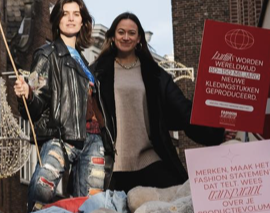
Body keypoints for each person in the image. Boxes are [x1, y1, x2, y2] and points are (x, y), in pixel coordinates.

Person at [91, 12, 225, 191]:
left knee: (179, 200)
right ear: (113, 36)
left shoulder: (155, 74)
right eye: (121, 32)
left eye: (131, 33)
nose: (125, 37)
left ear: (139, 38)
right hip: (111, 166)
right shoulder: (96, 73)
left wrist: (218, 130)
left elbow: (183, 110)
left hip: (149, 159)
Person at [14, 0, 114, 210]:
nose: (71, 19)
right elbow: (33, 103)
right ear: (57, 19)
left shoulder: (85, 62)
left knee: (92, 206)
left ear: (83, 21)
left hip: (93, 139)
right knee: (41, 195)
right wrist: (27, 93)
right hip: (61, 137)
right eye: (65, 14)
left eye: (76, 14)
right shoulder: (45, 55)